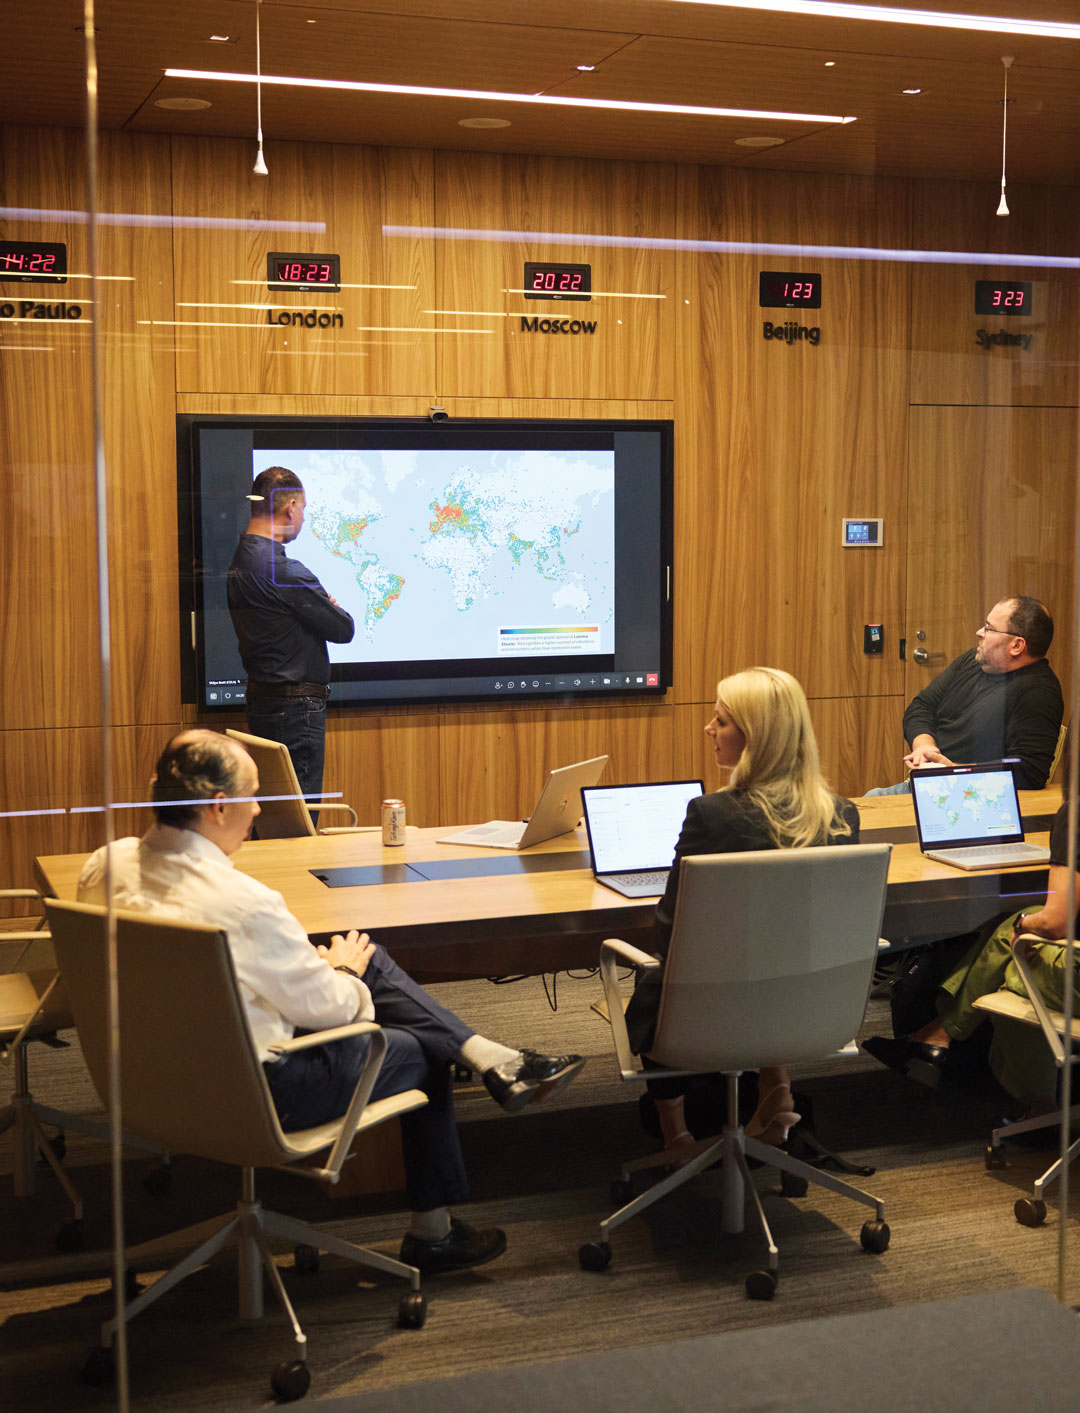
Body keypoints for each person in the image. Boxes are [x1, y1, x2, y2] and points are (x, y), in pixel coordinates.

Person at [77, 730, 585, 1275]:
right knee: (417, 1046)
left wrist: (334, 969)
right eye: (252, 796)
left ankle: (494, 1058)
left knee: (369, 959)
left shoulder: (107, 865)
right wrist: (341, 971)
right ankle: (433, 1232)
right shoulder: (243, 903)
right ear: (219, 806)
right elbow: (339, 1013)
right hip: (256, 1093)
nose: (256, 810)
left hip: (146, 1079)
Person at [623, 667, 861, 1166]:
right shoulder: (842, 814)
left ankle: (677, 1138)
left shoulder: (711, 814)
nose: (709, 729)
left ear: (756, 739)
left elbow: (669, 934)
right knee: (773, 958)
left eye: (721, 721)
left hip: (705, 1016)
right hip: (808, 1013)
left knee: (667, 979)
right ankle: (776, 1085)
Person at [862, 801, 1079, 1110]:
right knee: (1010, 925)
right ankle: (937, 1035)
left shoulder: (1075, 814)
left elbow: (1055, 923)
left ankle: (1036, 1106)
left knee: (1015, 944)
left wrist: (1022, 924)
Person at [227, 466, 355, 805]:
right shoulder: (283, 572)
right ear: (291, 508)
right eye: (305, 509)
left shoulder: (243, 560)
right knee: (296, 823)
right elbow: (343, 628)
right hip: (296, 711)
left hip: (266, 702)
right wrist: (327, 605)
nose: (303, 517)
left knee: (274, 816)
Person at [867, 596, 1062, 795]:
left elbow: (1030, 771)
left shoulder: (1039, 693)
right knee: (865, 804)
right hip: (930, 784)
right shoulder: (973, 660)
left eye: (989, 628)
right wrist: (925, 747)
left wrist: (954, 771)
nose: (979, 633)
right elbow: (921, 706)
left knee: (862, 811)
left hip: (972, 796)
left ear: (1016, 646)